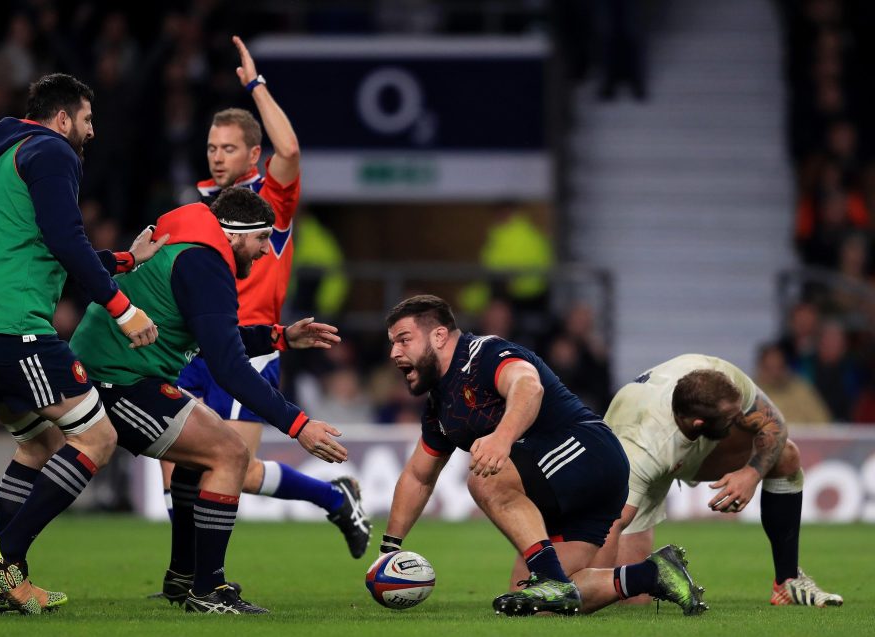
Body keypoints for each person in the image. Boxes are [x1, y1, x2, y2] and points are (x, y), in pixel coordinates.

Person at [0, 73, 160, 614]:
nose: (90, 131)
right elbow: (66, 239)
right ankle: (4, 556)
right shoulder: (54, 152)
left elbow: (45, 248)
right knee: (97, 438)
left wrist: (125, 261)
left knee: (39, 444)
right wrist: (123, 307)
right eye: (86, 119)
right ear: (62, 119)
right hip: (11, 326)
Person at [69, 186, 349, 615]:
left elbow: (217, 339)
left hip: (112, 372)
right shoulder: (207, 262)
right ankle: (208, 590)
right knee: (231, 455)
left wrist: (278, 336)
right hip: (118, 380)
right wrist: (299, 426)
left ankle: (184, 577)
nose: (263, 253)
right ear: (237, 235)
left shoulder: (194, 245)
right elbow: (230, 368)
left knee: (202, 456)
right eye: (261, 241)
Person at [159, 35, 370, 603]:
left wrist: (255, 85)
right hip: (190, 346)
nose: (217, 155)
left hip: (248, 346)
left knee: (232, 466)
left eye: (228, 147)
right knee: (177, 465)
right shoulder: (199, 202)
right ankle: (184, 581)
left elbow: (293, 149)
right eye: (211, 146)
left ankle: (331, 501)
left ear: (254, 155)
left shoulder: (267, 201)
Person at [379, 295, 706, 616]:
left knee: (484, 475)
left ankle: (549, 576)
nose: (395, 352)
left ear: (438, 335)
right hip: (573, 483)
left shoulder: (484, 353)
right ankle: (652, 574)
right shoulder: (440, 406)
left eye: (404, 340)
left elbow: (528, 386)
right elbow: (419, 477)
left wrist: (501, 439)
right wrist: (389, 549)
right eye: (392, 343)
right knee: (532, 602)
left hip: (585, 451)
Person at [597, 353, 843, 607]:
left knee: (785, 455)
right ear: (700, 422)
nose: (740, 420)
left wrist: (751, 473)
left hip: (684, 439)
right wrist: (591, 587)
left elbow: (774, 423)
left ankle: (787, 582)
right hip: (624, 463)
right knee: (630, 601)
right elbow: (611, 524)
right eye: (731, 417)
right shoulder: (644, 447)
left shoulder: (721, 377)